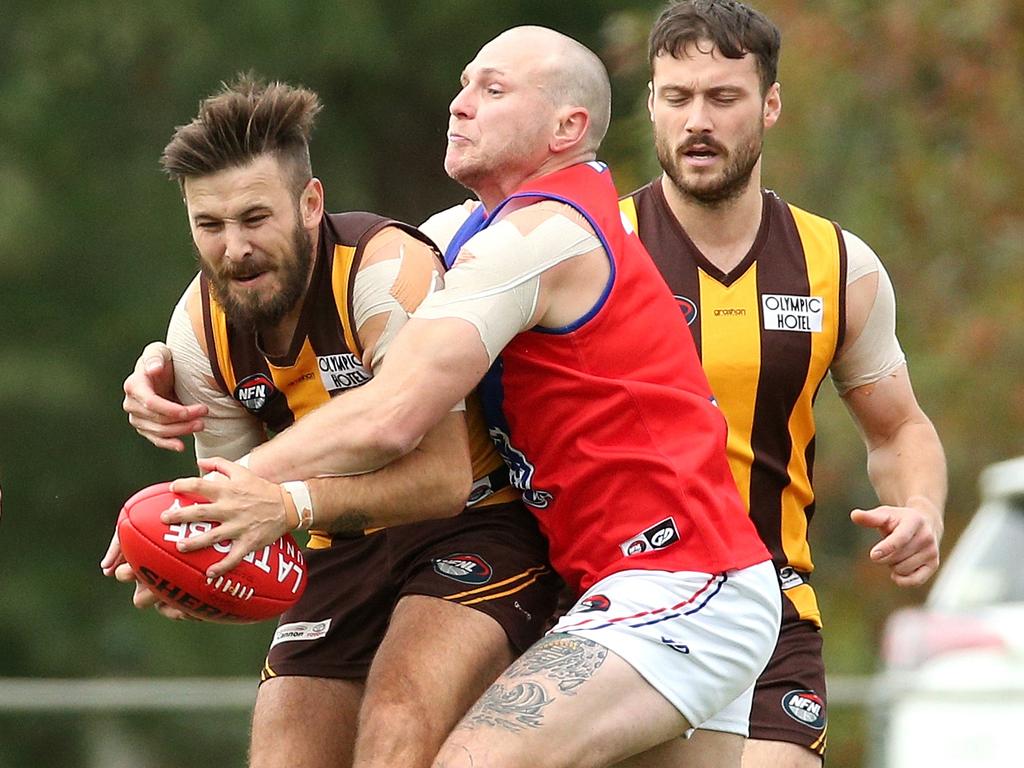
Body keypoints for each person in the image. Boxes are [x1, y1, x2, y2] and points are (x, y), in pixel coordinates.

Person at [157, 27, 783, 768]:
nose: (459, 106)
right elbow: (336, 287)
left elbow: (393, 413)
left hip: (682, 579)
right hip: (623, 591)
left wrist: (228, 494)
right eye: (462, 85)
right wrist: (165, 361)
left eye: (492, 90)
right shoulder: (473, 233)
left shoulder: (544, 234)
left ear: (567, 128)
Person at [106, 76, 563, 768]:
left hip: (473, 522)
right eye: (210, 225)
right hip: (338, 544)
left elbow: (440, 480)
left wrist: (288, 504)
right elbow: (242, 505)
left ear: (310, 203)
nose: (235, 249)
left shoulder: (383, 273)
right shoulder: (196, 331)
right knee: (284, 748)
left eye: (255, 219)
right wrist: (183, 563)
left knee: (397, 713)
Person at [619, 2, 947, 765]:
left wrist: (921, 508)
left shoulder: (839, 264)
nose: (697, 120)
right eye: (677, 97)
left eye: (723, 98)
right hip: (624, 607)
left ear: (770, 106)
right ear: (652, 106)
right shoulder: (596, 248)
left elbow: (900, 428)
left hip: (774, 605)